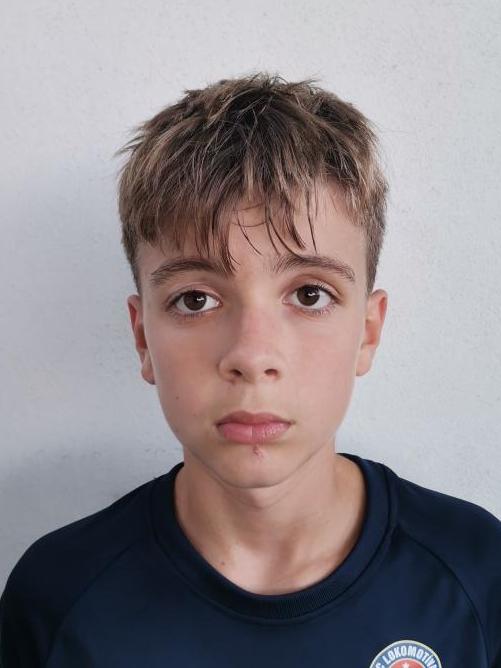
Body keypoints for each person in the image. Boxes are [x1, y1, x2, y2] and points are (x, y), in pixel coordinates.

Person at [0, 72, 499, 668]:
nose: (252, 355)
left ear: (368, 331)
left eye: (310, 295)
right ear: (142, 337)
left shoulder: (478, 574)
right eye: (195, 299)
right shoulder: (57, 598)